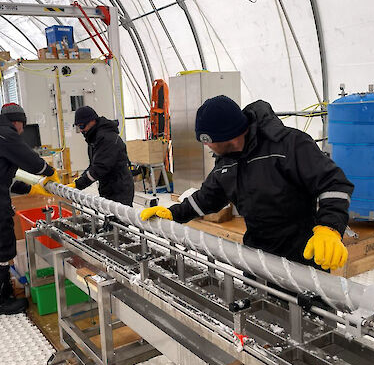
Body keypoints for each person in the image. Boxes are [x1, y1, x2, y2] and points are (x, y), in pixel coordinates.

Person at [141, 96, 354, 271]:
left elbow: (334, 184)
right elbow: (208, 198)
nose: (206, 146)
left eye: (206, 141)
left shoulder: (289, 145)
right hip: (257, 258)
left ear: (227, 136)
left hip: (303, 257)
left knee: (308, 321)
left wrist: (329, 228)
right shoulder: (227, 162)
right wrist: (174, 213)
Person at [0, 103, 60, 316]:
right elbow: (32, 162)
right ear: (17, 122)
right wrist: (50, 172)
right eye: (22, 125)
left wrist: (29, 188)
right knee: (0, 246)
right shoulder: (6, 135)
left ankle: (1, 293)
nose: (22, 130)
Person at [67, 106, 134, 206]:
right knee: (110, 217)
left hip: (119, 189)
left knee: (118, 219)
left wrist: (78, 184)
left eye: (82, 126)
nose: (81, 130)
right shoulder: (94, 138)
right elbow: (94, 165)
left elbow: (99, 168)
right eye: (78, 127)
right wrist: (79, 179)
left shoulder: (107, 138)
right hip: (108, 186)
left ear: (92, 121)